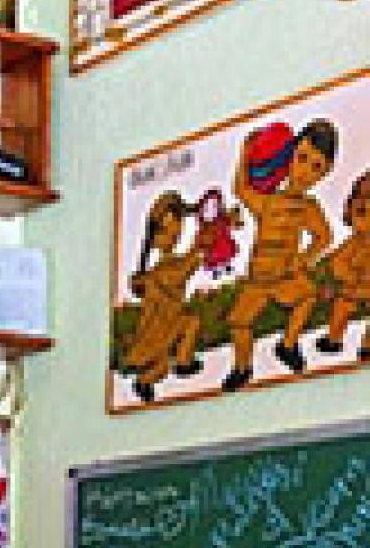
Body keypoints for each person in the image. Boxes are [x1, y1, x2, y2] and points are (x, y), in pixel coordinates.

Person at [223, 119, 337, 393]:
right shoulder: (268, 201)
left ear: (325, 173)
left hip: (285, 276)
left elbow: (324, 237)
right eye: (302, 158)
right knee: (238, 322)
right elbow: (240, 189)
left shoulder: (309, 207)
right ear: (290, 155)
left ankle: (288, 344)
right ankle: (242, 367)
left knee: (307, 297)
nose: (305, 171)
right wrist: (245, 152)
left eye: (316, 167)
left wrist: (303, 260)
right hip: (258, 279)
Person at [119, 191, 207, 404]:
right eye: (167, 231)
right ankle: (146, 380)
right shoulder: (160, 270)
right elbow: (182, 271)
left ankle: (183, 362)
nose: (174, 235)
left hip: (170, 321)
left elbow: (185, 264)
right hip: (158, 329)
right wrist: (199, 248)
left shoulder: (170, 263)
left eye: (178, 229)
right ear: (154, 239)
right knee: (162, 365)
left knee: (191, 323)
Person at [317, 170, 370, 363]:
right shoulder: (353, 243)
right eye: (361, 212)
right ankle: (334, 338)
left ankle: (367, 345)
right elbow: (337, 262)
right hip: (352, 287)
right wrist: (344, 276)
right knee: (341, 306)